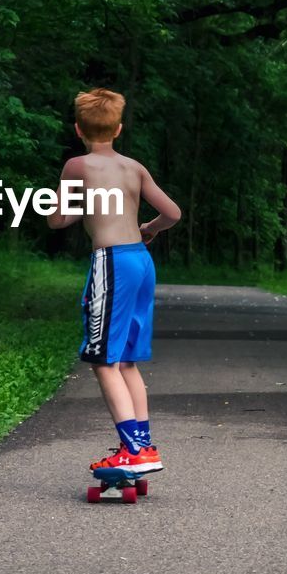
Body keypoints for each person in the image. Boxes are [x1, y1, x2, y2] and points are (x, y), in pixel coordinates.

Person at [45, 87, 181, 475]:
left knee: (103, 359)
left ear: (78, 129)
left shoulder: (77, 166)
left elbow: (56, 219)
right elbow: (172, 213)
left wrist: (79, 206)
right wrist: (150, 229)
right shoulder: (134, 167)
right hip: (140, 260)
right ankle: (143, 446)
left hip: (112, 263)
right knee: (127, 361)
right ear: (118, 129)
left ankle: (134, 450)